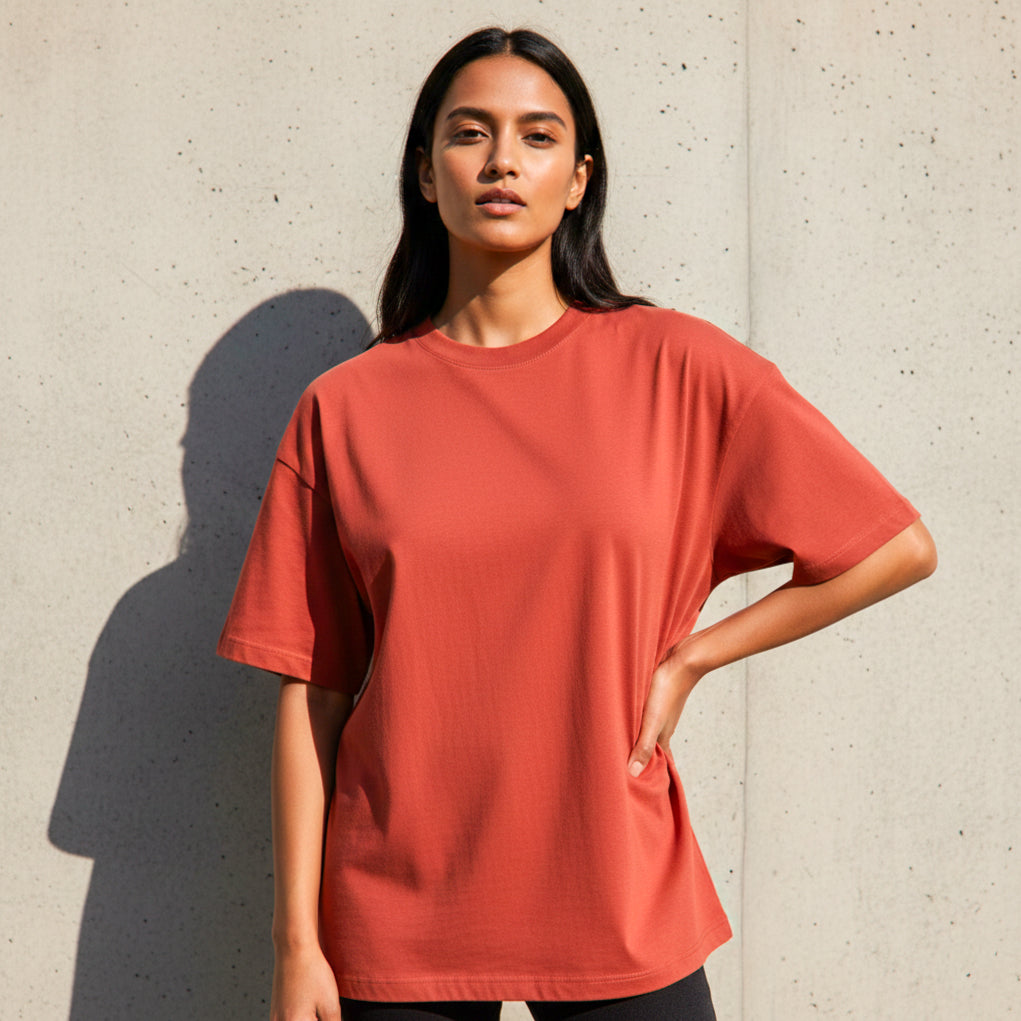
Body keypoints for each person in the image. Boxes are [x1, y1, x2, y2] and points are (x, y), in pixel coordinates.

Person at [217, 26, 937, 1021]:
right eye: (470, 134)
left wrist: (689, 657)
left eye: (538, 136)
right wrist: (297, 944)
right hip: (399, 911)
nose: (503, 159)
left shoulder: (679, 370)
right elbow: (314, 695)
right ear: (426, 175)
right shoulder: (345, 408)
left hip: (617, 894)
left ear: (578, 178)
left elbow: (891, 547)